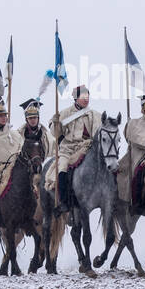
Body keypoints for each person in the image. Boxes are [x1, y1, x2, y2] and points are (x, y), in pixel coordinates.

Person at [46, 85, 99, 213]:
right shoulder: (65, 113)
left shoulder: (95, 114)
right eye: (83, 97)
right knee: (62, 168)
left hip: (87, 146)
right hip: (68, 149)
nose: (86, 99)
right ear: (76, 98)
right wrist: (56, 123)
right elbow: (56, 133)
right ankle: (64, 201)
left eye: (87, 96)